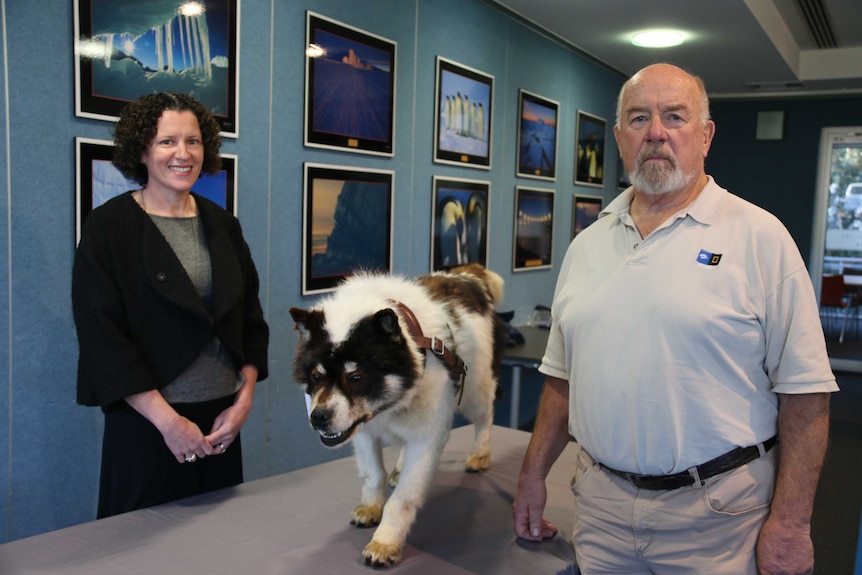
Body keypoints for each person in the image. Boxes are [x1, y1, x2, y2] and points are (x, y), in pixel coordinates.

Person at [512, 63, 837, 575]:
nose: (657, 132)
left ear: (705, 136)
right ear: (620, 139)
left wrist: (792, 525)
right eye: (639, 118)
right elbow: (562, 377)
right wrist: (533, 475)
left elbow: (806, 395)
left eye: (675, 117)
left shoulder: (760, 238)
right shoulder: (586, 245)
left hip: (718, 519)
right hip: (601, 510)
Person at [73, 92, 269, 518]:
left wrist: (244, 401)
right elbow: (103, 339)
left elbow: (250, 320)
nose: (183, 154)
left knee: (220, 548)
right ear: (141, 150)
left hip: (221, 425)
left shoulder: (223, 225)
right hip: (147, 429)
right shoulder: (109, 228)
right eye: (167, 142)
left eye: (193, 141)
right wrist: (170, 424)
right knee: (142, 553)